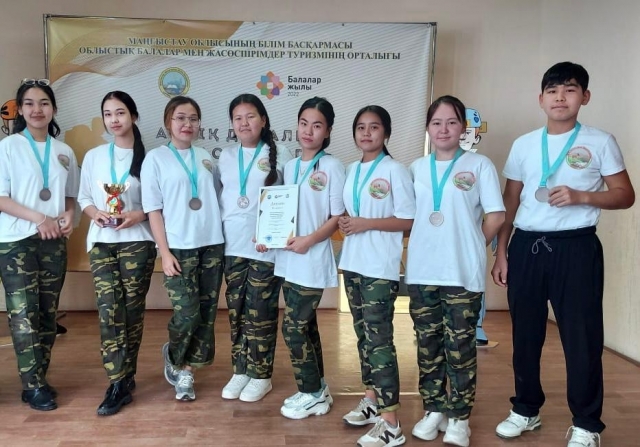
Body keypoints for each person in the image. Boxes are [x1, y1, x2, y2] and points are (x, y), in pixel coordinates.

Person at [492, 62, 635, 447]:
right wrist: (501, 252)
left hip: (576, 248)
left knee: (581, 337)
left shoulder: (600, 141)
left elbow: (625, 195)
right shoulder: (524, 144)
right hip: (526, 246)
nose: (560, 97)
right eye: (553, 91)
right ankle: (526, 409)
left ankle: (587, 424)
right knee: (525, 335)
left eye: (570, 89)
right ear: (540, 99)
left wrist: (582, 196)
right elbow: (510, 201)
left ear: (584, 97)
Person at [406, 95, 505, 447]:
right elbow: (408, 217)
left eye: (451, 122)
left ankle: (460, 417)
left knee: (460, 346)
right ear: (428, 128)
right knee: (427, 344)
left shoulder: (480, 165)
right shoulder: (416, 168)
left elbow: (496, 215)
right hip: (422, 271)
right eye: (437, 123)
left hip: (462, 272)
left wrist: (474, 244)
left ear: (463, 126)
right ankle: (434, 409)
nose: (444, 129)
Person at [258, 96, 345, 420]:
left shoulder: (332, 167)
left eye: (317, 125)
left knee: (293, 329)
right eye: (304, 123)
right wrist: (265, 235)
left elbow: (337, 216)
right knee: (306, 327)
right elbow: (280, 212)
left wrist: (310, 240)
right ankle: (318, 390)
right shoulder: (291, 167)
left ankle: (309, 393)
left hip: (313, 259)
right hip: (289, 260)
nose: (309, 131)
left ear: (328, 131)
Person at [338, 105, 415, 447]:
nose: (366, 133)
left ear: (386, 132)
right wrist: (348, 222)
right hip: (353, 263)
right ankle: (371, 400)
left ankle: (391, 424)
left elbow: (409, 220)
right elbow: (350, 213)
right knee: (363, 337)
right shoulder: (351, 169)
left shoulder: (395, 170)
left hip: (380, 269)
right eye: (361, 127)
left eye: (374, 127)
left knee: (380, 341)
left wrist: (366, 223)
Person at [0, 78, 80, 411]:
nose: (37, 109)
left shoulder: (64, 151)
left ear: (53, 109)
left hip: (53, 242)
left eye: (44, 103)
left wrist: (68, 216)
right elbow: (1, 198)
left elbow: (71, 196)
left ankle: (38, 379)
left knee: (47, 313)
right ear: (20, 110)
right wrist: (39, 218)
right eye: (30, 103)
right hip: (16, 242)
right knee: (23, 314)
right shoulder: (8, 147)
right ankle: (32, 385)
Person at [141, 95, 225, 402]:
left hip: (211, 245)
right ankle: (174, 357)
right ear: (168, 122)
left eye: (193, 118)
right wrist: (164, 252)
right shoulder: (155, 159)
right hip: (178, 247)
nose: (187, 124)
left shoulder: (205, 157)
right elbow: (153, 210)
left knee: (206, 314)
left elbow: (218, 199)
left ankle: (187, 371)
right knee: (187, 313)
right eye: (180, 118)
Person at [78, 91, 156, 415]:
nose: (114, 119)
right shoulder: (95, 156)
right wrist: (95, 213)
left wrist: (138, 215)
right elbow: (84, 197)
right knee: (109, 309)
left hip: (138, 242)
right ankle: (116, 381)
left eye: (120, 112)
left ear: (133, 116)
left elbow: (158, 204)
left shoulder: (149, 159)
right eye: (108, 114)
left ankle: (127, 375)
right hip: (102, 242)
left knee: (131, 311)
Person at [218, 93, 292, 402]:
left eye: (250, 116)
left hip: (266, 249)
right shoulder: (225, 156)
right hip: (232, 247)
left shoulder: (281, 154)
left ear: (263, 120)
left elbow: (290, 200)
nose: (244, 123)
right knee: (236, 311)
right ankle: (241, 369)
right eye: (238, 118)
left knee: (260, 313)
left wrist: (276, 235)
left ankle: (261, 374)